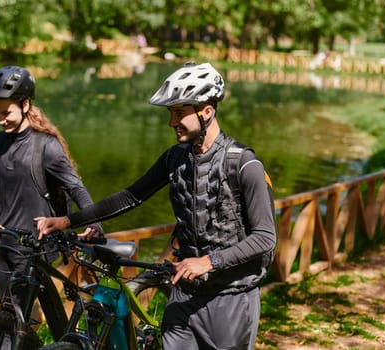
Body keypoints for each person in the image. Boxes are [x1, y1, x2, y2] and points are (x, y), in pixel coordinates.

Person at [35, 62, 277, 349]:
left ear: (207, 112)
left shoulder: (244, 164)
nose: (171, 122)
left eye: (179, 113)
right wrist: (67, 221)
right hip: (184, 294)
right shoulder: (175, 158)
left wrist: (209, 261)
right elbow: (130, 197)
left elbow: (265, 237)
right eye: (170, 113)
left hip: (231, 297)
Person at [0, 65, 102, 306]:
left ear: (25, 105)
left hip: (36, 247)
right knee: (6, 316)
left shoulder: (45, 145)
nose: (1, 120)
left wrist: (94, 221)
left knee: (20, 320)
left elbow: (76, 188)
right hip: (3, 243)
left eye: (6, 113)